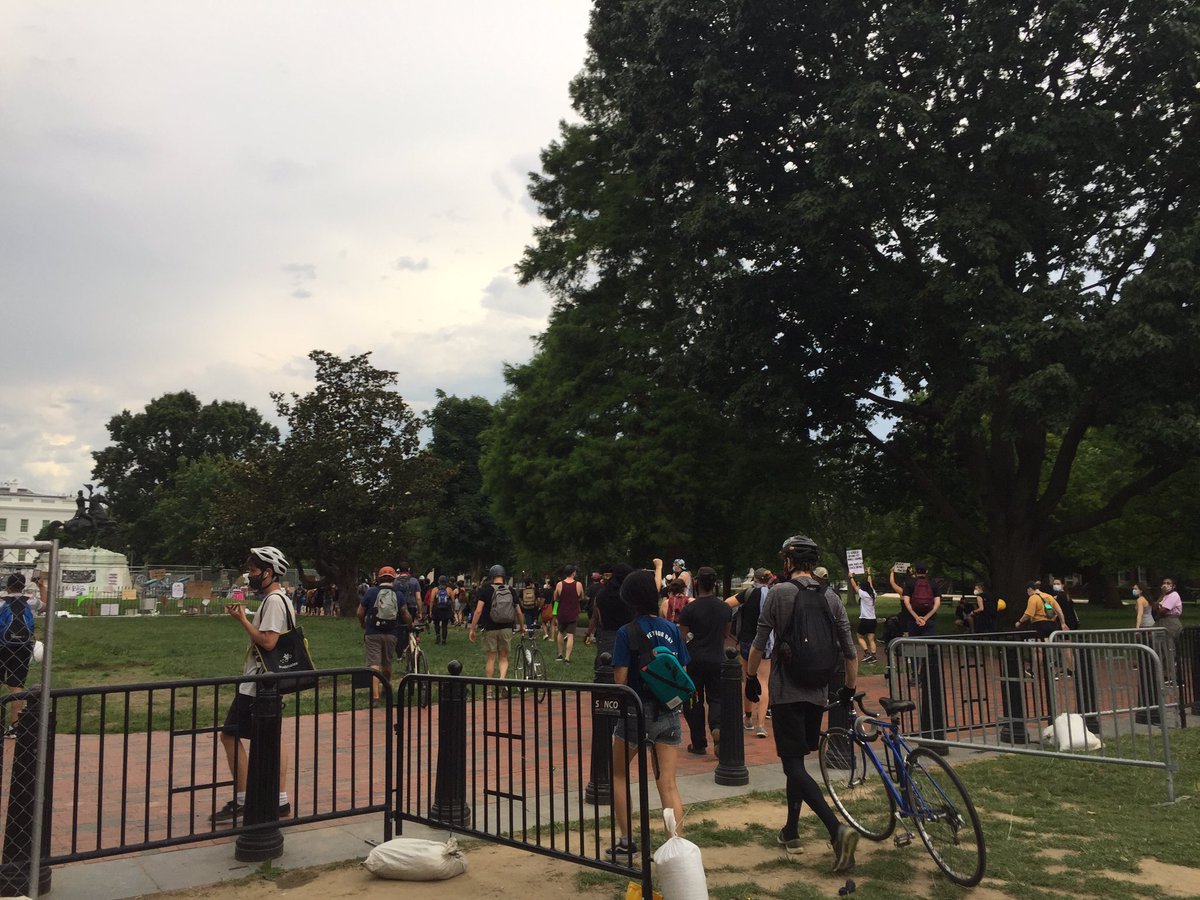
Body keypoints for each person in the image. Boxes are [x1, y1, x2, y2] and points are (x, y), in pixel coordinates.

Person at [745, 534, 859, 871]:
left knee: (792, 764)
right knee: (798, 760)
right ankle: (791, 831)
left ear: (789, 561)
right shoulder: (830, 596)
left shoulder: (779, 593)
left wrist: (751, 678)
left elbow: (759, 641)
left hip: (786, 691)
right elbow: (849, 650)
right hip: (818, 691)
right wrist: (848, 689)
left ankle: (836, 829)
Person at [607, 564, 687, 861]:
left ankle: (627, 841)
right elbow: (682, 672)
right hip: (668, 712)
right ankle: (677, 845)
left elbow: (620, 680)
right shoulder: (671, 629)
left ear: (629, 599)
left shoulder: (626, 632)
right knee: (667, 782)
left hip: (635, 712)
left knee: (617, 774)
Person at [211, 546, 293, 823]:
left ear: (269, 573)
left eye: (255, 571)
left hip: (258, 683)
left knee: (229, 735)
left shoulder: (273, 601)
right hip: (270, 682)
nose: (251, 576)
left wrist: (243, 620)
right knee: (271, 739)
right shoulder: (281, 599)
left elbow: (269, 641)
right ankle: (279, 800)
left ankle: (244, 798)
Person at [679, 566, 732, 756]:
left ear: (696, 583)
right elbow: (726, 633)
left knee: (694, 700)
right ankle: (716, 727)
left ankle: (698, 742)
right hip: (718, 658)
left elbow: (683, 638)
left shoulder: (689, 609)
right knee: (716, 698)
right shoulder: (725, 608)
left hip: (695, 659)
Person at [728, 568, 771, 738]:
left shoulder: (748, 593)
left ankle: (748, 718)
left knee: (748, 679)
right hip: (767, 640)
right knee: (763, 681)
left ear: (755, 578)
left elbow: (727, 603)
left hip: (747, 640)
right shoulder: (773, 594)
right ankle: (761, 724)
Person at [358, 566, 409, 705]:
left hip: (373, 633)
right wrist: (410, 625)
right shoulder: (398, 594)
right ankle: (386, 688)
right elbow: (405, 613)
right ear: (393, 579)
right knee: (387, 663)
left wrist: (363, 624)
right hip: (391, 633)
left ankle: (375, 697)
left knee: (374, 664)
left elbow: (360, 612)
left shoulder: (371, 592)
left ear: (379, 578)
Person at [469, 565, 517, 685]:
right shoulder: (511, 590)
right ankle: (502, 680)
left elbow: (478, 610)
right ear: (503, 576)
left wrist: (472, 628)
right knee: (504, 657)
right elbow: (519, 611)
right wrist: (521, 626)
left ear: (491, 576)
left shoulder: (485, 590)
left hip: (490, 628)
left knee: (491, 658)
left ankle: (490, 690)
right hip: (506, 628)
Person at [1, 574, 35, 737]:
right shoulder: (30, 601)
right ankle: (15, 726)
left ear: (8, 586)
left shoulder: (1, 602)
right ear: (23, 586)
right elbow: (46, 606)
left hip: (2, 645)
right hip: (23, 647)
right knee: (17, 685)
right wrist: (41, 585)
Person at [585, 564, 633, 670]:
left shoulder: (601, 594)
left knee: (604, 669)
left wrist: (589, 632)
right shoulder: (629, 596)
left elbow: (597, 616)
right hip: (627, 636)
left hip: (606, 636)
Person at [901, 563, 941, 636]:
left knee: (915, 643)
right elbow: (937, 604)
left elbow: (906, 602)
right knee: (929, 643)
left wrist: (916, 617)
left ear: (916, 571)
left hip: (913, 619)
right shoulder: (933, 583)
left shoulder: (910, 583)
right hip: (930, 618)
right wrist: (925, 618)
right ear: (926, 571)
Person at [1156, 577, 1183, 682]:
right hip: (1161, 622)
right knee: (1160, 649)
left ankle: (1175, 677)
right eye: (1164, 583)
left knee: (1170, 649)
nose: (1165, 585)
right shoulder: (1164, 596)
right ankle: (1165, 675)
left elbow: (1163, 610)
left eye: (1168, 583)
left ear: (1173, 586)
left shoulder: (1174, 595)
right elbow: (1154, 607)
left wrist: (1158, 608)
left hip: (1170, 622)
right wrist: (1162, 595)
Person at [554, 566, 583, 664]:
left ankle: (559, 654)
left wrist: (555, 612)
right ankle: (567, 658)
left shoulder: (559, 584)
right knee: (570, 635)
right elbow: (581, 596)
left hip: (561, 612)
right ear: (573, 573)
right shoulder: (578, 584)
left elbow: (556, 598)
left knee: (560, 633)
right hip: (573, 612)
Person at [847, 570, 878, 662]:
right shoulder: (873, 594)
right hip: (873, 619)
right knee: (871, 638)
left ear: (863, 588)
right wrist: (869, 573)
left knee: (859, 636)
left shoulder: (863, 595)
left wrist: (851, 577)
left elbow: (854, 586)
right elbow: (870, 584)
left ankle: (866, 653)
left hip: (865, 620)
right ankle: (873, 656)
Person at [429, 575, 454, 645]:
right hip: (446, 609)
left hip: (437, 609)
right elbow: (453, 600)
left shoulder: (435, 589)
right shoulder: (449, 589)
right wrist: (453, 609)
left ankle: (438, 636)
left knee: (436, 624)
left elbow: (431, 600)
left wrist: (430, 610)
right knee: (444, 625)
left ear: (438, 581)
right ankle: (444, 640)